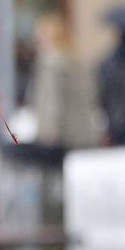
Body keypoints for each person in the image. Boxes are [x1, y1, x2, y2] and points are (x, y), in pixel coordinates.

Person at [29, 13, 98, 149]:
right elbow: (91, 95)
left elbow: (52, 100)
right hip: (84, 131)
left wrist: (49, 131)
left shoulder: (50, 63)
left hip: (61, 135)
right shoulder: (78, 62)